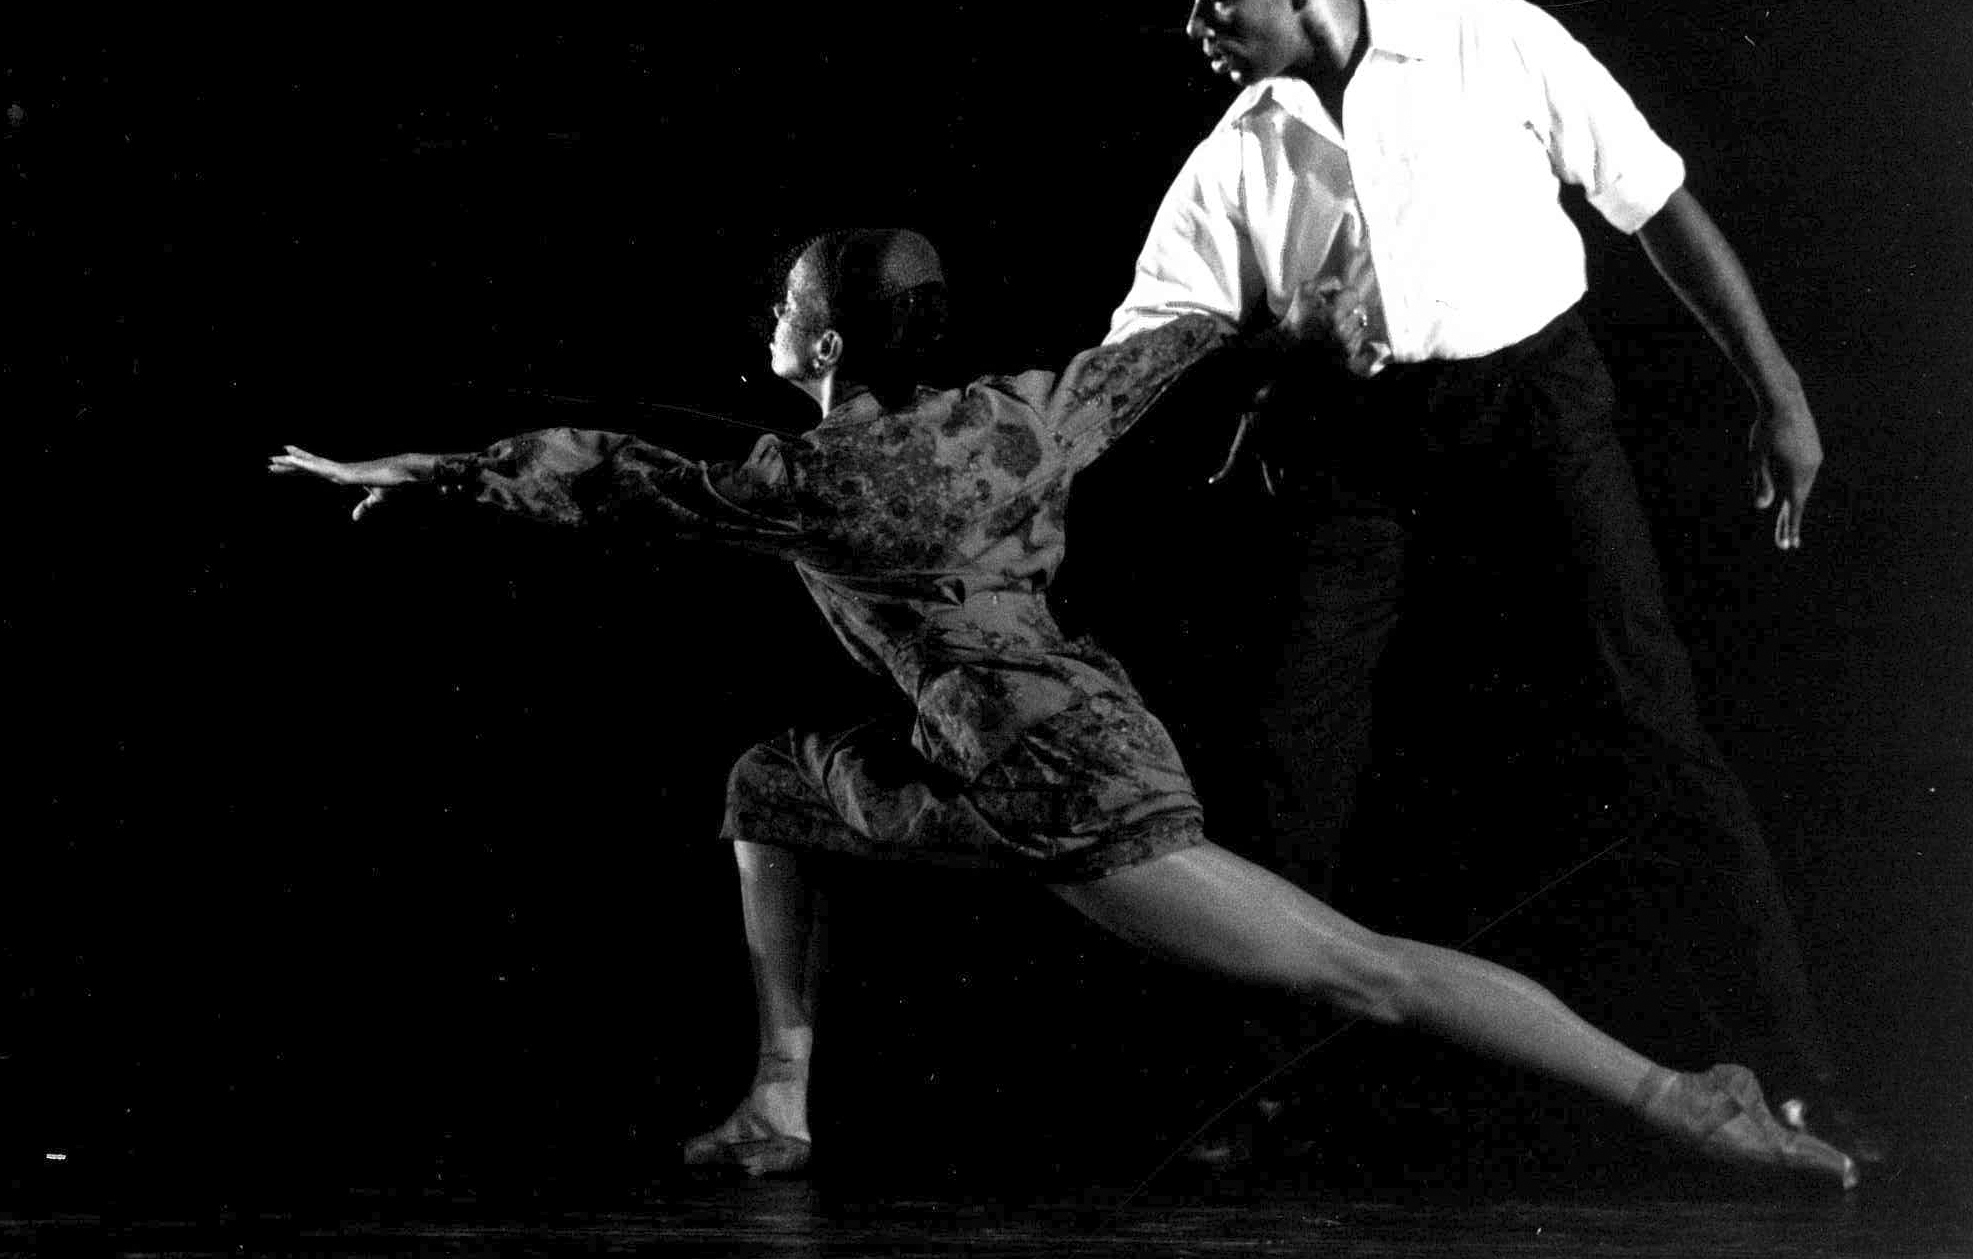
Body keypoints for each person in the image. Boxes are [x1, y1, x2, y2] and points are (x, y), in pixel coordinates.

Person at [273, 226, 1853, 1188]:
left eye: (785, 303)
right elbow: (1165, 348)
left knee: (1359, 975)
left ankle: (1676, 1092)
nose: (768, 319)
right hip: (1012, 754)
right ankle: (776, 1099)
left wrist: (415, 476)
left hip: (1066, 788)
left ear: (820, 343)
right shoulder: (1019, 415)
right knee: (769, 782)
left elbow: (609, 472)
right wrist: (1307, 311)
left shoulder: (817, 480)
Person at [1106, 0, 1864, 1161]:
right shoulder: (1237, 155)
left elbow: (1659, 206)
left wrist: (1775, 390)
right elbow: (1136, 357)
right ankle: (1262, 1089)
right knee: (1291, 758)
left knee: (1645, 723)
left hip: (1534, 420)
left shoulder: (1487, 37)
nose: (1196, 30)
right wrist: (1249, 362)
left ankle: (1795, 1070)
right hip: (1356, 459)